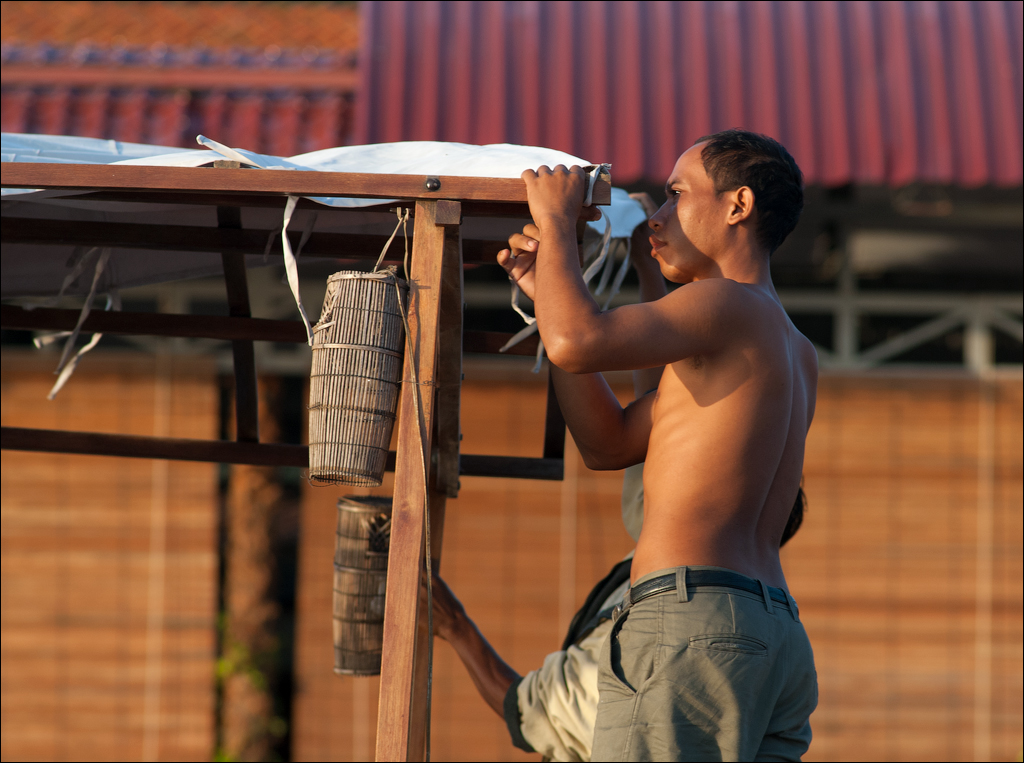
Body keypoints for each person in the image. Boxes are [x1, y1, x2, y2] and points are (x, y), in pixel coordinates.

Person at [495, 129, 818, 761]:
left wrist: (558, 224)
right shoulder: (789, 343)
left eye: (675, 194)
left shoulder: (727, 304)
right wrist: (550, 302)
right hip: (769, 631)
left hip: (690, 624)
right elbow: (608, 443)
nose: (659, 216)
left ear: (738, 205)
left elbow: (577, 342)